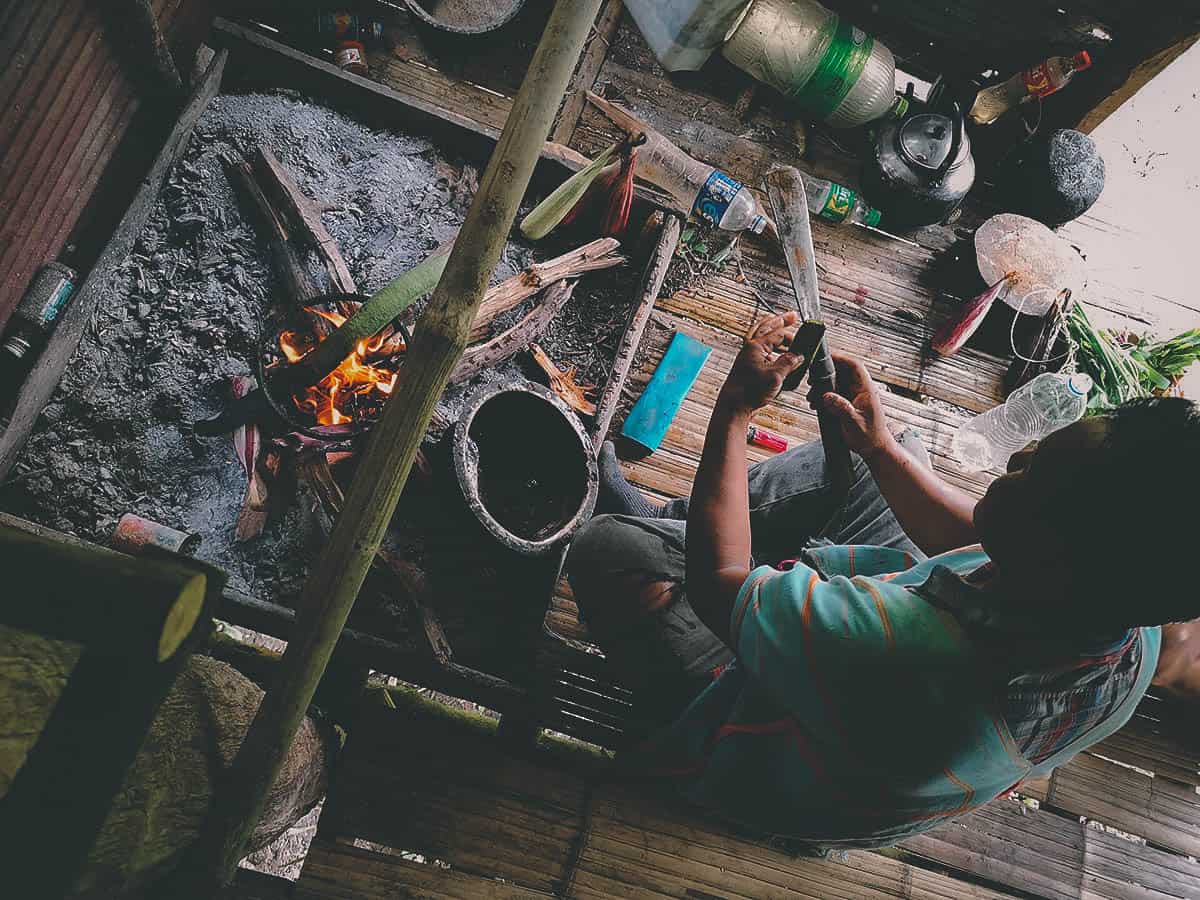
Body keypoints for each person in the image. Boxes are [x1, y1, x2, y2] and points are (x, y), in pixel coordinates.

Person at [567, 311, 1200, 850]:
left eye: (1033, 475)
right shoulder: (1126, 637)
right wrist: (881, 448)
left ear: (1054, 555)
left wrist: (734, 409)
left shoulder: (904, 654)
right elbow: (979, 545)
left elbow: (719, 582)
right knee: (895, 464)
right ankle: (682, 524)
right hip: (879, 691)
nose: (1017, 455)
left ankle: (671, 546)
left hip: (758, 745)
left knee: (608, 548)